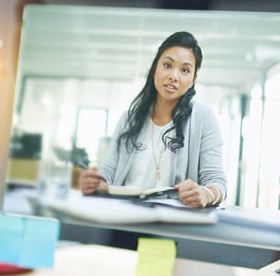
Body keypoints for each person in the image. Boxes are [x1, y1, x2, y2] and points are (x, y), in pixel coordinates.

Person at [78, 31, 227, 208]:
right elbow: (108, 171)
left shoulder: (204, 118)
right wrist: (94, 181)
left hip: (171, 223)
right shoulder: (129, 119)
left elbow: (218, 183)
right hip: (122, 217)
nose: (174, 76)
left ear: (193, 80)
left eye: (185, 70)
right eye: (167, 65)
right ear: (155, 68)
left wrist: (205, 194)